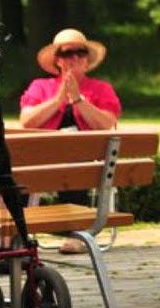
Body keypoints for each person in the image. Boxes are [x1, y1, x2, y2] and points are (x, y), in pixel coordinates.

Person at [19, 28, 122, 253]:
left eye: (80, 52)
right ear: (58, 60)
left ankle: (77, 234)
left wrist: (77, 99)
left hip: (85, 161)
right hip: (44, 160)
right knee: (19, 173)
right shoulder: (40, 87)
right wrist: (58, 99)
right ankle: (19, 235)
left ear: (87, 59)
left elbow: (107, 123)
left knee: (77, 163)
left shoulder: (102, 89)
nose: (75, 58)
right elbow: (27, 120)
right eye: (67, 53)